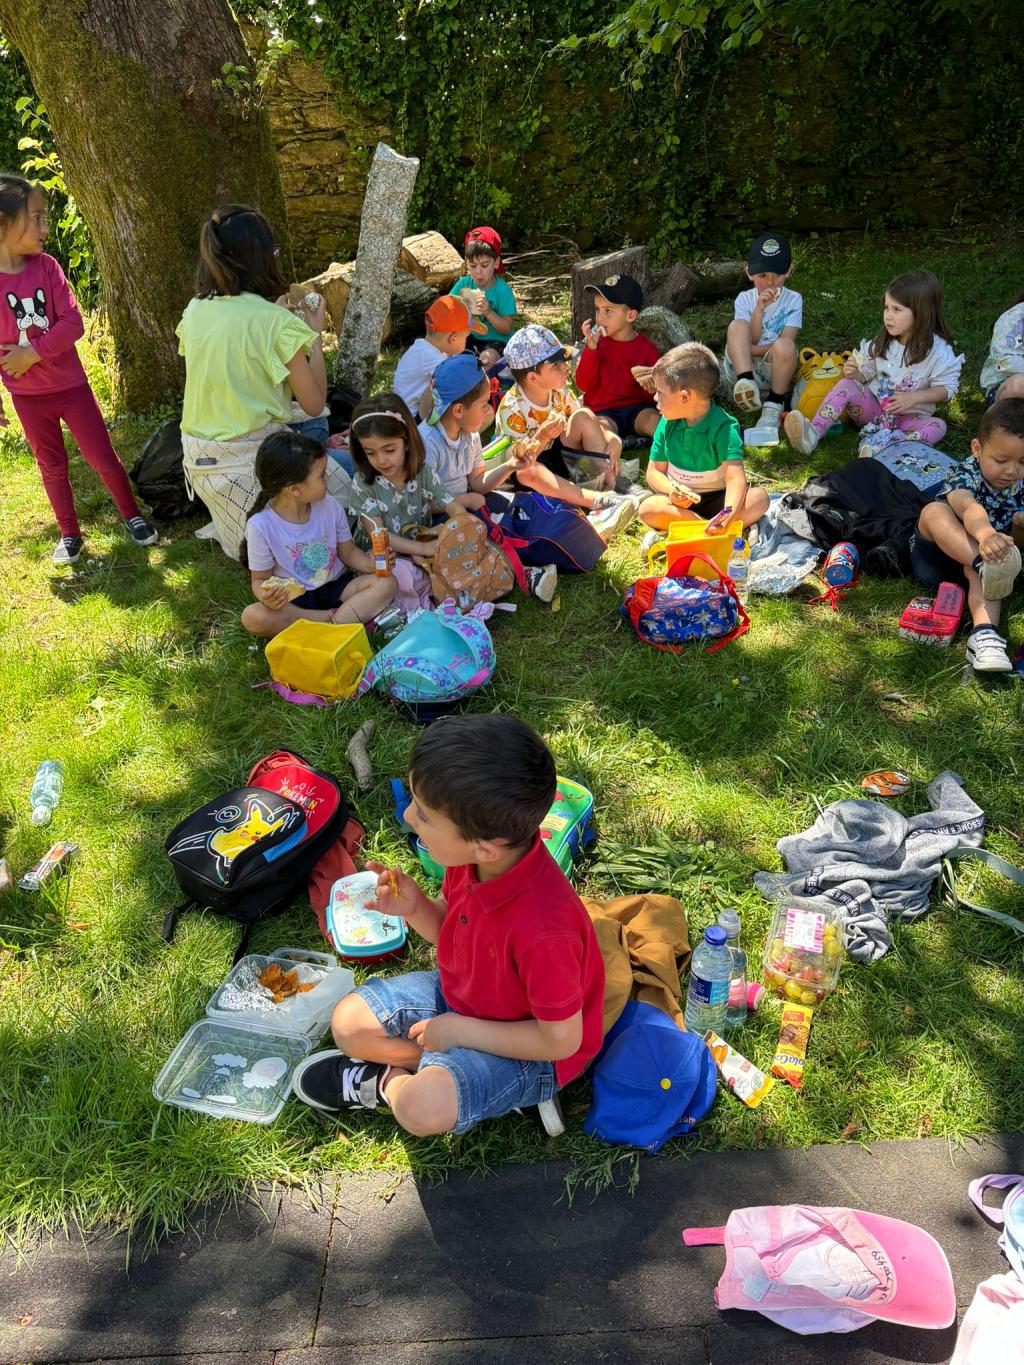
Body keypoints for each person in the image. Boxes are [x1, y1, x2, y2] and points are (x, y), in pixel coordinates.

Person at [290, 713, 605, 1140]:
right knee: (349, 1023)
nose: (408, 816)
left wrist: (458, 1031)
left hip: (533, 1055)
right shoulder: (473, 862)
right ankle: (444, 1071)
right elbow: (452, 934)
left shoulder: (544, 930)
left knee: (420, 1108)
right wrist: (416, 907)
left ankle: (387, 1082)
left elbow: (561, 1041)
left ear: (486, 847)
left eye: (424, 815)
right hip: (467, 999)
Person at [0, 173, 157, 565]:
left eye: (44, 218)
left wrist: (31, 353)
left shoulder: (47, 268)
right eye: (35, 219)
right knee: (51, 466)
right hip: (27, 399)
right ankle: (69, 533)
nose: (44, 228)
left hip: (71, 388)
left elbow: (73, 323)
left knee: (101, 456)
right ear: (5, 225)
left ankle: (131, 514)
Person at [176, 204, 343, 560]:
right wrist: (312, 335)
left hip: (200, 462)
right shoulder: (274, 322)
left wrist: (276, 324)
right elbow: (315, 402)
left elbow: (232, 364)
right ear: (262, 258)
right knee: (350, 494)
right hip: (252, 459)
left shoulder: (195, 310)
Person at [785, 269, 963, 457]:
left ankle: (887, 447)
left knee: (938, 426)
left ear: (921, 313)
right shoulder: (882, 342)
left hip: (909, 420)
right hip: (874, 413)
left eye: (897, 309)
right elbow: (865, 375)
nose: (888, 315)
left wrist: (913, 398)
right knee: (846, 384)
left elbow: (946, 389)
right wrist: (855, 373)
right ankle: (813, 433)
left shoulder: (939, 352)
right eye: (886, 308)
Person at [238, 430, 396, 638]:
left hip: (337, 587)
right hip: (295, 601)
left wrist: (371, 565)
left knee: (387, 583)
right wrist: (267, 596)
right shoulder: (260, 526)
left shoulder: (330, 506)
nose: (327, 478)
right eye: (321, 475)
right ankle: (339, 620)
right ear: (294, 489)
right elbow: (260, 580)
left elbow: (348, 552)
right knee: (253, 616)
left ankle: (325, 626)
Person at [910, 398, 1024, 673]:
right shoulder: (965, 473)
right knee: (934, 511)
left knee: (990, 561)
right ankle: (984, 563)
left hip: (988, 567)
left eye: (1023, 462)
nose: (1012, 470)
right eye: (1001, 460)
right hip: (939, 559)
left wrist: (1020, 527)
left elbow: (1016, 549)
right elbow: (967, 506)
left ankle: (984, 635)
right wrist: (986, 534)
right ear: (977, 449)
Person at [496, 323, 638, 541]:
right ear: (533, 378)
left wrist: (611, 439)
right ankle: (596, 503)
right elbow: (517, 465)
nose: (566, 368)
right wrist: (542, 436)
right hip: (535, 474)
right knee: (530, 472)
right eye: (556, 365)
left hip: (563, 460)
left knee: (584, 415)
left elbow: (583, 423)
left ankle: (614, 484)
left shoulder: (559, 391)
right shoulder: (512, 409)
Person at [638, 341, 769, 538]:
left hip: (720, 500)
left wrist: (727, 513)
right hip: (681, 506)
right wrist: (671, 490)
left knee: (759, 498)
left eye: (660, 392)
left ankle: (713, 526)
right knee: (648, 509)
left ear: (684, 397)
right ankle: (706, 528)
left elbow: (735, 478)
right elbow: (654, 471)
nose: (655, 398)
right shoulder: (666, 423)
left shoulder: (724, 428)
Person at [417, 351, 535, 510]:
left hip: (466, 505)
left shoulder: (470, 435)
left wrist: (510, 465)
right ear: (458, 410)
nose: (488, 410)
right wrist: (466, 501)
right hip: (441, 517)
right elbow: (422, 505)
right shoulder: (428, 443)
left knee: (521, 506)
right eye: (484, 404)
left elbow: (478, 482)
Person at [722, 232, 801, 433]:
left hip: (773, 369)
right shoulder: (744, 299)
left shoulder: (794, 299)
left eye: (777, 275)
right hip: (741, 367)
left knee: (786, 347)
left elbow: (785, 345)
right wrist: (759, 309)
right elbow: (751, 339)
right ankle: (746, 382)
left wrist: (749, 349)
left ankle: (773, 406)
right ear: (749, 273)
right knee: (737, 326)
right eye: (763, 275)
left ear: (789, 270)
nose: (770, 282)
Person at [574, 274, 660, 440]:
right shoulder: (596, 344)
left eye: (608, 311)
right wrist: (590, 350)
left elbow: (656, 392)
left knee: (654, 420)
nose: (600, 317)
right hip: (604, 411)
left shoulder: (646, 349)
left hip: (638, 409)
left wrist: (653, 390)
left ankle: (674, 450)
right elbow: (583, 384)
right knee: (601, 429)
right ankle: (613, 445)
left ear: (630, 316)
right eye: (598, 309)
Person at [392, 294, 485, 421]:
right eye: (466, 337)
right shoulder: (433, 359)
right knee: (479, 413)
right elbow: (458, 382)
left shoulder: (422, 349)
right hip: (414, 422)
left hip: (404, 415)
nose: (466, 341)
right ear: (453, 338)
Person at [450, 226, 517, 370]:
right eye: (473, 266)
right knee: (450, 354)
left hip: (496, 341)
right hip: (469, 337)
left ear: (496, 263)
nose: (478, 272)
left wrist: (489, 312)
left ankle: (482, 379)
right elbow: (447, 308)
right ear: (466, 263)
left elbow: (506, 328)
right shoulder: (464, 284)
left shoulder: (502, 290)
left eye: (484, 265)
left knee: (487, 360)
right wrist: (460, 308)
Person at [980, 291, 1024, 407]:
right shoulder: (1016, 317)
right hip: (1006, 386)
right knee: (1020, 385)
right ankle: (996, 414)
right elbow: (1004, 360)